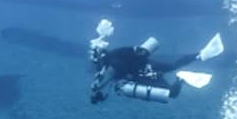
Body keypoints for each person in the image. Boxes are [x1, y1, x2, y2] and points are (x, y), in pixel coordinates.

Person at [89, 19, 223, 105]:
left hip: (145, 72)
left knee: (172, 91)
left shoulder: (110, 62)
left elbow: (110, 76)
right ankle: (198, 56)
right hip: (145, 71)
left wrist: (98, 88)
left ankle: (184, 74)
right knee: (172, 72)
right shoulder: (112, 58)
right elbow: (135, 52)